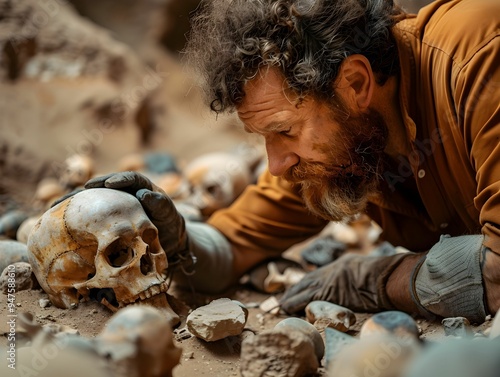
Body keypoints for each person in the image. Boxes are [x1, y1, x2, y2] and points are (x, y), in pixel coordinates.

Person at [84, 0, 500, 324]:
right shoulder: (341, 139)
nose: (278, 165)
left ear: (355, 83)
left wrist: (372, 281)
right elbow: (231, 248)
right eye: (264, 138)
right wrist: (170, 238)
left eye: (284, 131)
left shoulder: (478, 58)